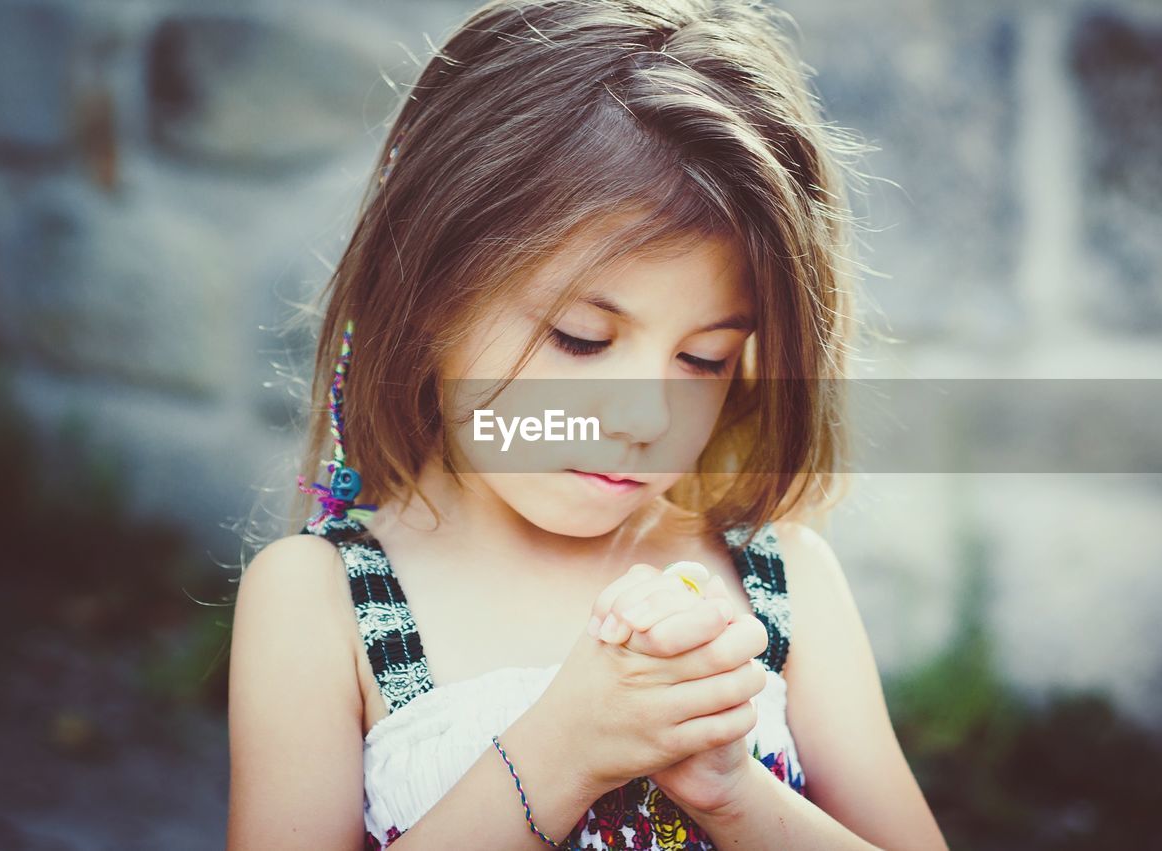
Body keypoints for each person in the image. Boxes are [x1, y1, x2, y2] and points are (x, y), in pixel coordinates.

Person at [225, 1, 948, 849]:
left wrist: (730, 793)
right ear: (429, 294)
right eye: (581, 338)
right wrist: (563, 749)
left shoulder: (777, 583)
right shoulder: (322, 601)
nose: (644, 417)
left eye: (706, 358)